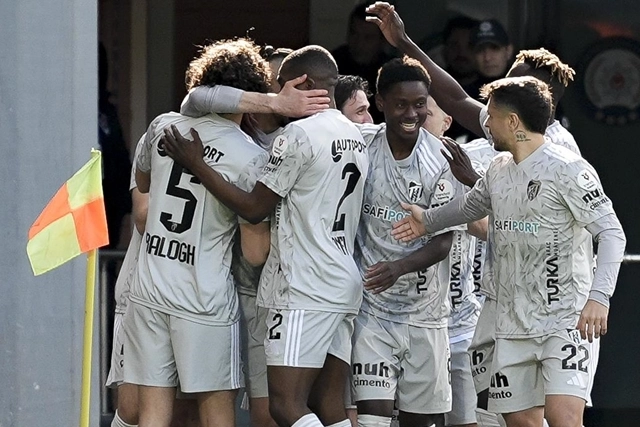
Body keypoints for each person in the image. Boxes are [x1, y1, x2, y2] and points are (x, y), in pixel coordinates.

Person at [392, 76, 626, 427]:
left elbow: (611, 233)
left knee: (564, 417)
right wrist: (427, 221)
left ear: (513, 122)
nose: (486, 123)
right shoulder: (499, 169)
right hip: (512, 325)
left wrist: (599, 297)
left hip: (564, 318)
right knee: (519, 422)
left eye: (492, 115)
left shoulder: (568, 169)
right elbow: (470, 206)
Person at [161, 45, 369, 427]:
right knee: (328, 405)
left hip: (305, 286)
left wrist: (197, 164)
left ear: (302, 82)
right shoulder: (354, 134)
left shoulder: (298, 135)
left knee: (285, 405)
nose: (277, 95)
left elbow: (255, 208)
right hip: (343, 280)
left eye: (282, 85)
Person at [123, 38, 273, 427]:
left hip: (151, 287)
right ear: (251, 99)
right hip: (204, 297)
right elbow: (255, 253)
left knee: (153, 413)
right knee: (216, 411)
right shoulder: (252, 157)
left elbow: (143, 185)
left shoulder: (163, 126)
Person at [350, 56, 469, 427]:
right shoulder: (360, 146)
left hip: (426, 316)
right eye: (401, 104)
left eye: (420, 104)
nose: (412, 114)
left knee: (420, 422)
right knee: (372, 418)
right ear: (381, 102)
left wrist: (398, 267)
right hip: (371, 311)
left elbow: (444, 242)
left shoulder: (441, 159)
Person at [423, 97, 484, 427]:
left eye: (427, 111)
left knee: (466, 420)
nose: (418, 116)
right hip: (409, 320)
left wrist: (454, 206)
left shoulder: (463, 164)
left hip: (461, 324)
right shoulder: (387, 160)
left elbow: (488, 229)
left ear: (447, 122)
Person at [332, 2, 395, 122]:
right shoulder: (333, 63)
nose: (359, 42)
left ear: (382, 40)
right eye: (354, 34)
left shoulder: (390, 70)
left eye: (368, 37)